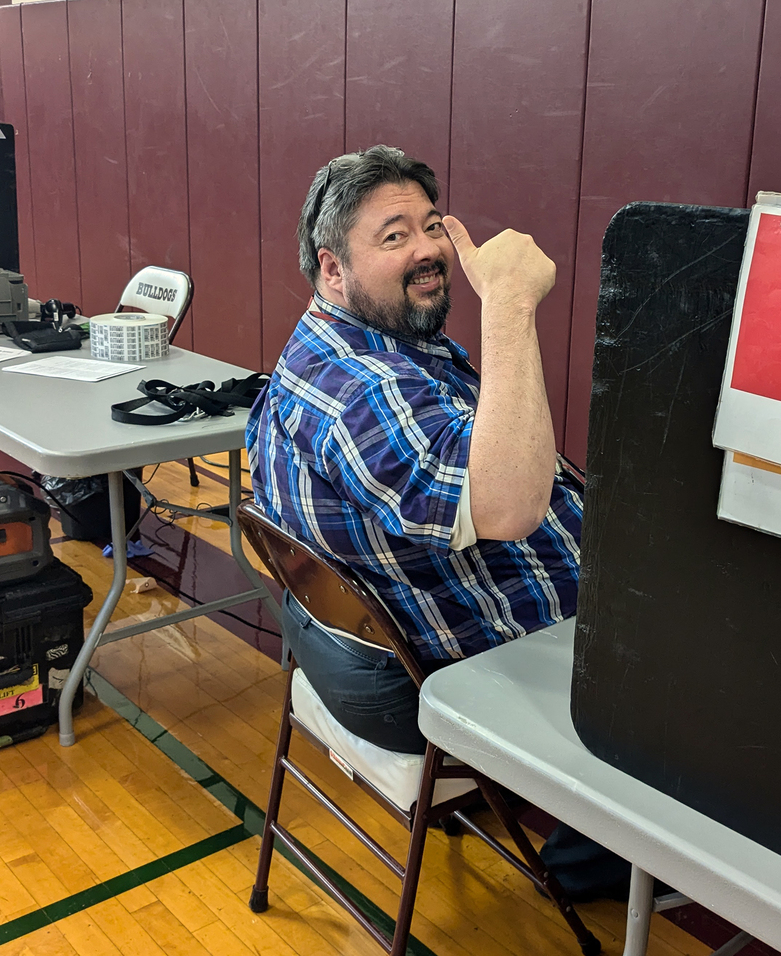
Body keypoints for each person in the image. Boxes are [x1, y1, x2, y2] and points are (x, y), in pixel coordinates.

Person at [246, 145, 628, 900]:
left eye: (431, 225)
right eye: (393, 236)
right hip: (455, 677)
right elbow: (511, 507)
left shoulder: (367, 339)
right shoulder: (359, 389)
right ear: (332, 270)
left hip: (373, 656)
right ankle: (598, 857)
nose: (428, 250)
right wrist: (511, 306)